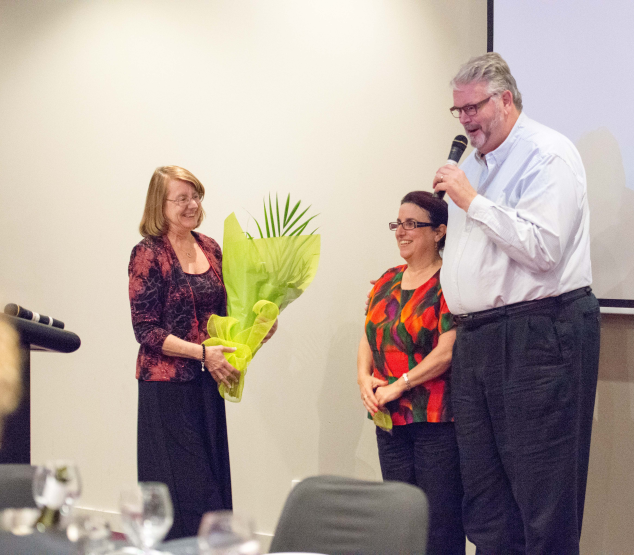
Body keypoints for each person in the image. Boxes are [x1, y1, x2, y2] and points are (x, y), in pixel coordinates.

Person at [433, 53, 600, 554]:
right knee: (485, 499)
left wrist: (471, 202)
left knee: (543, 499)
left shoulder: (548, 154)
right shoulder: (476, 167)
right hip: (478, 340)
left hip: (538, 335)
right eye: (457, 111)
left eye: (473, 107)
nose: (465, 120)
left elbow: (544, 250)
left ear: (506, 100)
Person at [128, 166, 276, 540]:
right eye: (182, 198)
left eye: (196, 196)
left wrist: (259, 329)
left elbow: (229, 315)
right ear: (158, 205)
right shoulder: (147, 253)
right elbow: (145, 329)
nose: (192, 204)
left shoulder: (210, 247)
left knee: (212, 484)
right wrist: (202, 353)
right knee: (189, 492)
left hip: (207, 385)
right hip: (166, 389)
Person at [358, 191, 465, 555]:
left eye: (412, 224)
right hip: (389, 419)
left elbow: (447, 352)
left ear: (439, 232)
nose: (401, 231)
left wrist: (398, 385)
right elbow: (368, 335)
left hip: (434, 419)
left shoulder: (449, 280)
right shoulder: (387, 279)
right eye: (398, 223)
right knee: (398, 517)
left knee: (438, 522)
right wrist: (364, 379)